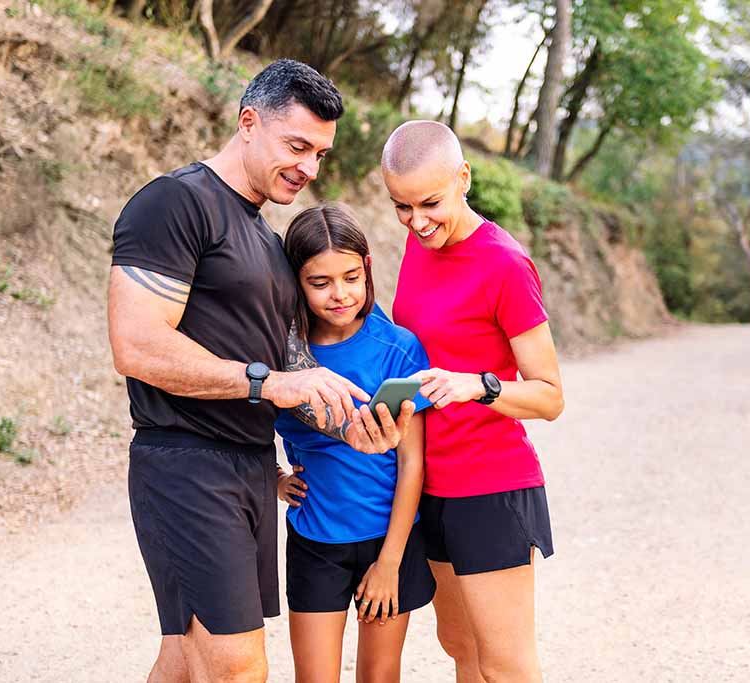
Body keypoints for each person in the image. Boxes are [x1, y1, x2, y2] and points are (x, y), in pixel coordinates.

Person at [107, 59, 414, 683]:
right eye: (297, 145)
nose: (309, 168)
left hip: (248, 467)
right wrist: (267, 383)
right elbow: (136, 344)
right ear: (249, 122)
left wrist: (346, 428)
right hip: (187, 461)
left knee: (187, 660)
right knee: (238, 667)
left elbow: (290, 365)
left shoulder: (267, 242)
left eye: (321, 155)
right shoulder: (175, 202)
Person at [381, 120, 565, 683]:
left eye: (430, 203)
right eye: (401, 207)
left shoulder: (504, 264)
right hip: (427, 484)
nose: (416, 222)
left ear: (464, 177)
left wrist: (479, 385)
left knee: (505, 665)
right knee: (460, 647)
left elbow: (550, 396)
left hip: (491, 487)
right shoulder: (419, 247)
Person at [274, 204, 436, 683]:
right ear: (296, 284)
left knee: (380, 675)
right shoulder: (283, 353)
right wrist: (274, 477)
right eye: (320, 283)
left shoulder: (398, 348)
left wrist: (389, 562)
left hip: (389, 541)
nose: (340, 294)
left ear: (366, 267)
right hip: (315, 539)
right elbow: (241, 421)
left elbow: (412, 462)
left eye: (350, 276)